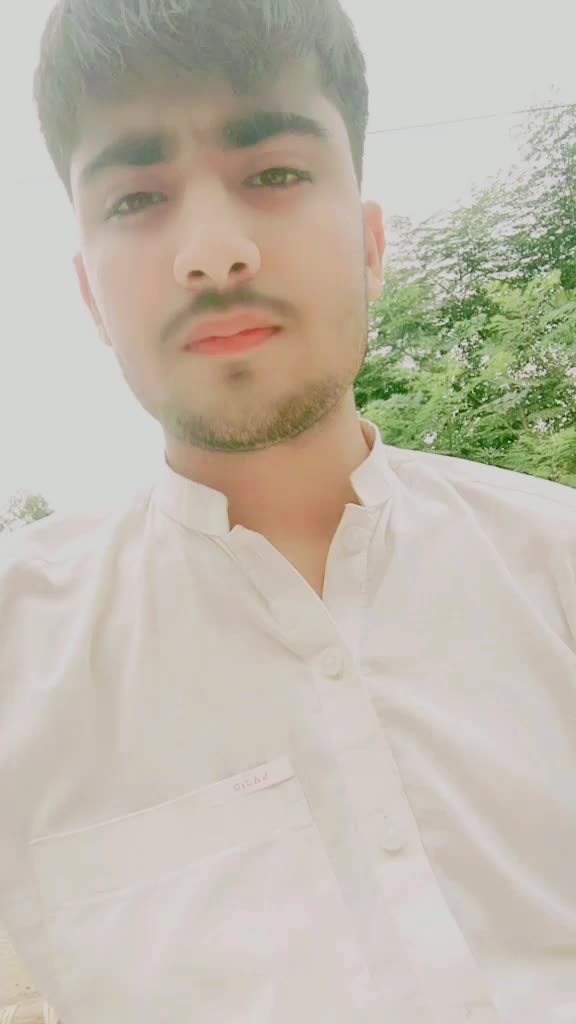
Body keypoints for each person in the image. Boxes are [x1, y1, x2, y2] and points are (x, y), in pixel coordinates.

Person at [0, 1, 575, 1021]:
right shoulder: (17, 652)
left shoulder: (558, 564)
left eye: (272, 174)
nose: (214, 253)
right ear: (90, 296)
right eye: (137, 198)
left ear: (371, 244)